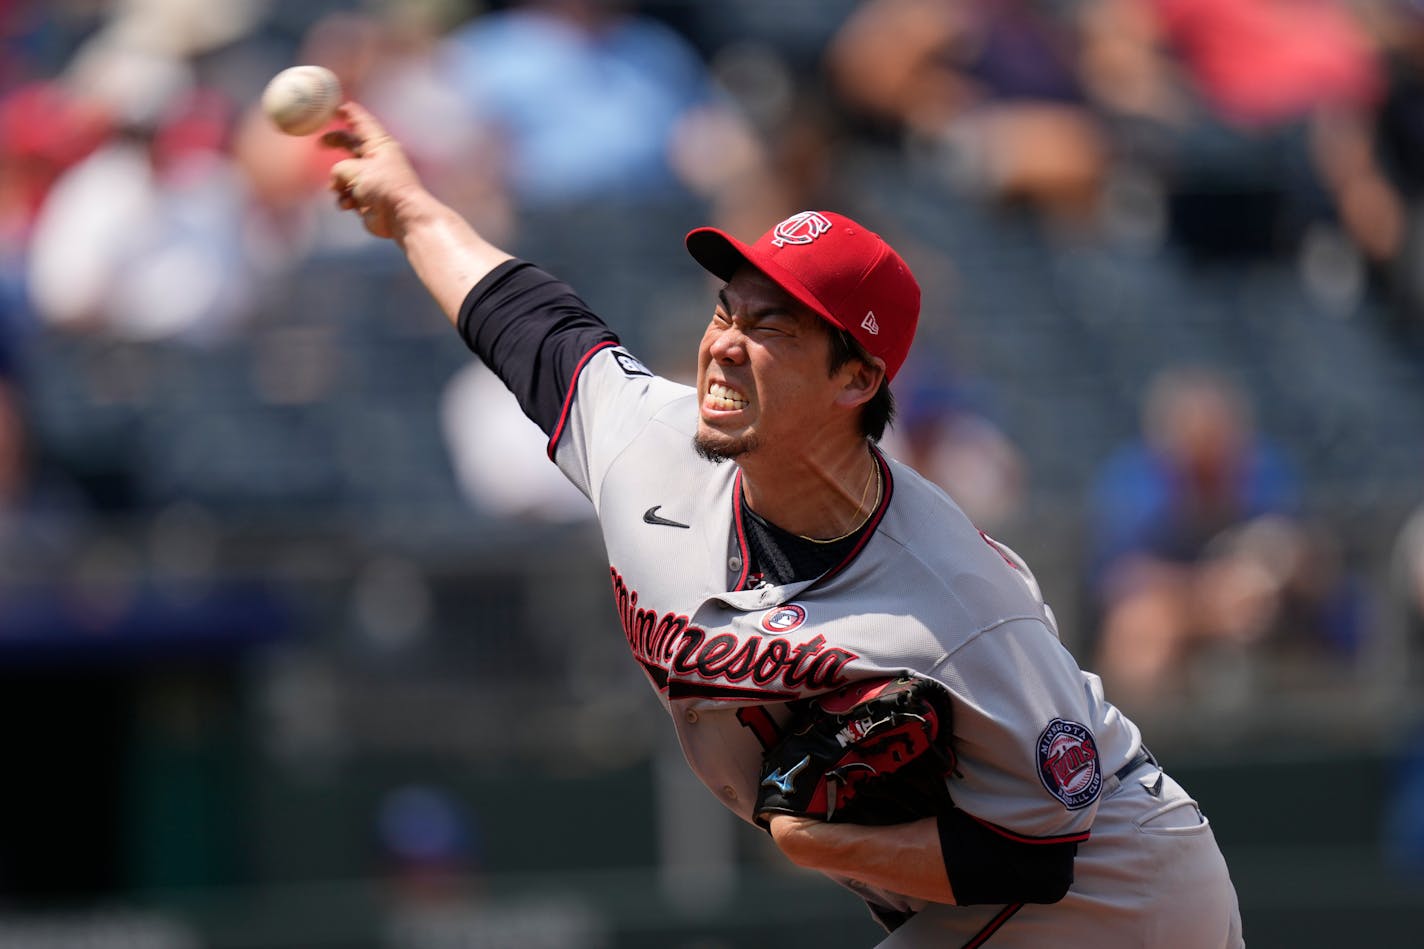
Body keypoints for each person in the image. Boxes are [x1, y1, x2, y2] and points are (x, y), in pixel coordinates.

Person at [323, 101, 1244, 947]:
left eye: (775, 328)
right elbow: (524, 320)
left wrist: (813, 838)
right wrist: (409, 208)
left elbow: (1037, 853)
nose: (724, 342)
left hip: (1117, 884)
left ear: (856, 379)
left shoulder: (961, 601)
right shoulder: (648, 442)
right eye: (728, 308)